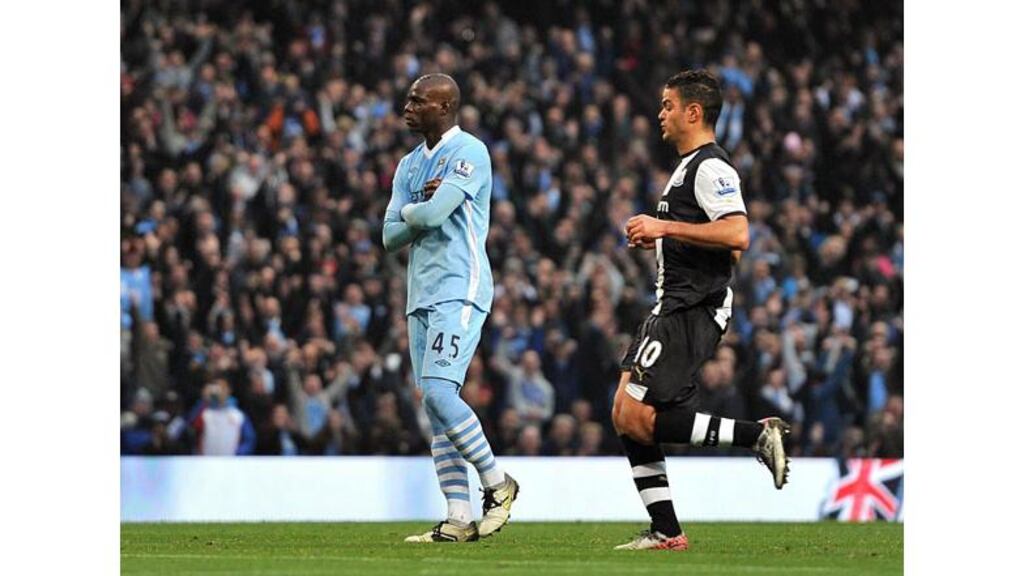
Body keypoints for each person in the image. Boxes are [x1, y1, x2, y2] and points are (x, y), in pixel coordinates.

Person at [612, 70, 790, 551]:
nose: (660, 114)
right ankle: (666, 531)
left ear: (694, 112)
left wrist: (664, 229)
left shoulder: (710, 168)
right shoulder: (689, 168)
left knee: (633, 413)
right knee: (625, 412)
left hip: (692, 307)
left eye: (668, 105)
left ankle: (756, 435)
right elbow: (724, 250)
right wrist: (664, 238)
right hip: (674, 302)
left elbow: (738, 236)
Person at [382, 74, 519, 543]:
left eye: (418, 101)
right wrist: (415, 212)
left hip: (460, 286)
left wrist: (411, 212)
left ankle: (498, 484)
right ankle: (458, 517)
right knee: (435, 411)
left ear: (444, 107)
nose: (408, 106)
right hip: (419, 292)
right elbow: (388, 237)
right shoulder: (407, 165)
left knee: (440, 393)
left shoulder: (470, 152)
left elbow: (432, 216)